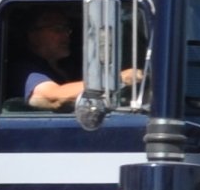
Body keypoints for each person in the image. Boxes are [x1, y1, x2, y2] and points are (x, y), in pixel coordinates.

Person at [8, 6, 141, 112]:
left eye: (67, 29)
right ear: (32, 35)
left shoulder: (68, 66)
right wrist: (117, 80)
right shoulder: (23, 69)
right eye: (57, 29)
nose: (66, 35)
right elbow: (52, 98)